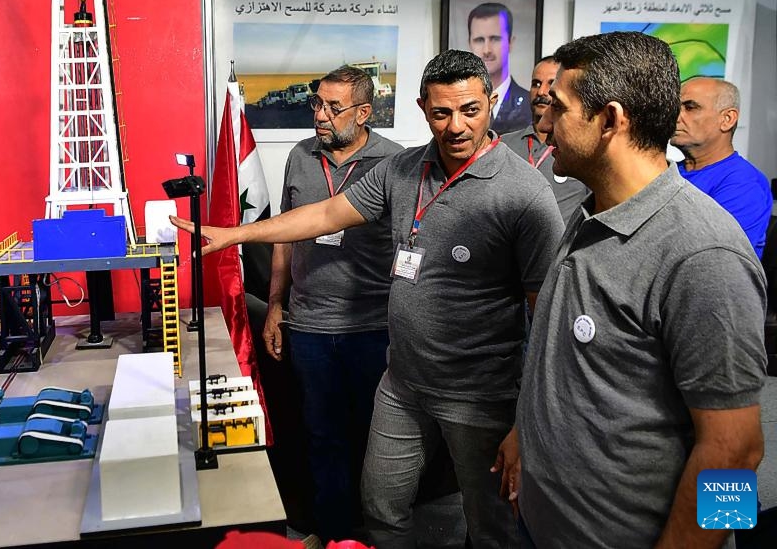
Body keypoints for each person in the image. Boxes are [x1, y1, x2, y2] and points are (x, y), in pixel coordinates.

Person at [173, 49, 563, 549]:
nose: (457, 126)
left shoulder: (524, 193)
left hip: (479, 395)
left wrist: (524, 422)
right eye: (442, 113)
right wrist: (233, 234)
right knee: (381, 507)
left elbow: (545, 316)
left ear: (490, 102)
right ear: (423, 108)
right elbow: (325, 214)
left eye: (471, 110)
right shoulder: (402, 170)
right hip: (402, 384)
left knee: (490, 524)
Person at [498, 32, 767, 549]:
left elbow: (737, 453)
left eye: (561, 108)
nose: (545, 124)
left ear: (610, 120)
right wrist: (524, 432)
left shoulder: (703, 255)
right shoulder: (591, 213)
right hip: (546, 523)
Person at [263, 65, 402, 543]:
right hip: (310, 326)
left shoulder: (396, 162)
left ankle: (370, 535)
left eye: (332, 107)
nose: (320, 115)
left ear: (364, 113)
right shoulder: (300, 157)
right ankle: (332, 532)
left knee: (375, 438)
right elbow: (283, 236)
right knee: (321, 436)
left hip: (373, 327)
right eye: (316, 104)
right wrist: (276, 304)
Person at [671, 76, 771, 259]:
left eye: (690, 107)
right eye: (675, 107)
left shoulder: (744, 184)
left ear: (727, 119)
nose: (675, 116)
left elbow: (709, 258)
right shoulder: (666, 171)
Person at [500, 56, 587, 220]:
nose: (541, 91)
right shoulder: (504, 145)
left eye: (550, 84)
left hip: (564, 244)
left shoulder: (579, 149)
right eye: (536, 84)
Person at [467, 2, 528, 135]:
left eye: (495, 39)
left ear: (510, 43)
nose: (487, 50)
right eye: (479, 40)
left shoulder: (530, 105)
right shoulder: (459, 106)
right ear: (470, 44)